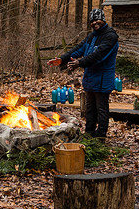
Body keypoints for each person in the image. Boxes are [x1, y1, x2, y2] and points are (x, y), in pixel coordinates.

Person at [48, 8, 119, 139]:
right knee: (89, 109)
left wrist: (79, 63)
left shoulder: (111, 36)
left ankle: (101, 136)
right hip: (90, 79)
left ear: (103, 20)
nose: (94, 23)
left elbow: (99, 55)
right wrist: (62, 59)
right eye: (92, 21)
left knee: (101, 109)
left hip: (103, 79)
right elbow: (78, 49)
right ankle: (89, 133)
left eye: (97, 20)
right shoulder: (92, 36)